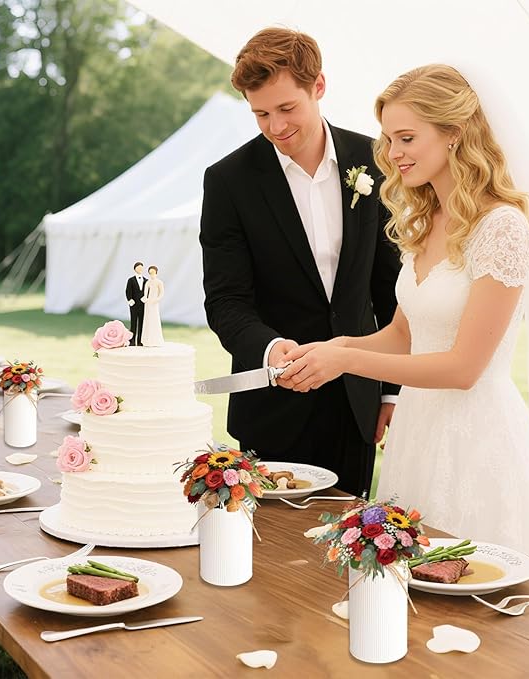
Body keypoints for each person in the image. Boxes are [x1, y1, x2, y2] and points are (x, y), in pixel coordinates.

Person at [282, 64, 529, 578]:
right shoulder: (425, 220)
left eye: (407, 138)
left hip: (476, 439)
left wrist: (345, 362)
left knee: (477, 586)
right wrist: (334, 346)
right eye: (389, 139)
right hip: (418, 431)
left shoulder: (501, 227)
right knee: (408, 584)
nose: (393, 153)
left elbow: (464, 368)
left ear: (454, 133)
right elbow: (403, 335)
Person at [199, 28, 401, 498]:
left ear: (319, 86)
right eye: (261, 114)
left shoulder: (376, 160)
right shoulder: (228, 181)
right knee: (271, 543)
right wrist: (271, 350)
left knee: (351, 531)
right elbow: (226, 300)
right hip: (274, 405)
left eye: (287, 108)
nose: (275, 126)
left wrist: (391, 389)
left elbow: (392, 289)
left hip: (357, 400)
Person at [141, 265, 165, 347]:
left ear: (156, 273)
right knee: (148, 319)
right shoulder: (148, 282)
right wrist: (145, 298)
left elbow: (161, 293)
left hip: (154, 303)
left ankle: (155, 340)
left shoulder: (159, 282)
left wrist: (157, 299)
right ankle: (147, 340)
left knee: (155, 318)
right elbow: (145, 292)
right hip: (148, 303)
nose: (152, 274)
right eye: (150, 273)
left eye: (153, 272)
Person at [125, 261, 146, 346]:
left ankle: (140, 341)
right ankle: (132, 341)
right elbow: (128, 291)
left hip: (143, 305)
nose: (140, 269)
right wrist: (130, 300)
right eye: (138, 267)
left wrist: (146, 298)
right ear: (135, 269)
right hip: (134, 305)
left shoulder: (146, 280)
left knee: (141, 323)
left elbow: (147, 291)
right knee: (133, 323)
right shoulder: (131, 280)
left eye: (141, 268)